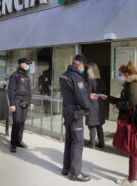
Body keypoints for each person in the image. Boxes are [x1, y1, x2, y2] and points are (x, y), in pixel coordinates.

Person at [100, 60, 137, 186]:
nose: (119, 77)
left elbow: (131, 104)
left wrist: (118, 105)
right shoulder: (131, 84)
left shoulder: (133, 85)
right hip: (135, 121)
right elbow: (125, 101)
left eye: (120, 74)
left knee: (133, 149)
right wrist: (109, 98)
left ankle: (131, 180)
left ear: (127, 74)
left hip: (133, 121)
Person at [59, 54, 94, 182]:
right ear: (78, 64)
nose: (84, 68)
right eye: (83, 65)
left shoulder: (64, 75)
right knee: (78, 142)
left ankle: (66, 168)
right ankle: (75, 173)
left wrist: (87, 95)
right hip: (76, 114)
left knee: (69, 140)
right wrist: (89, 108)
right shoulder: (77, 78)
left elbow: (72, 94)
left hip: (67, 111)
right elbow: (81, 97)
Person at [7, 58, 34, 153]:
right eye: (26, 63)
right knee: (17, 122)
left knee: (22, 122)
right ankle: (13, 143)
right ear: (21, 64)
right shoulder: (14, 75)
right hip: (17, 101)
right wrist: (12, 103)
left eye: (28, 64)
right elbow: (10, 91)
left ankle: (19, 141)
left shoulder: (26, 76)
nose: (28, 65)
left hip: (25, 102)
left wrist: (31, 102)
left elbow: (29, 90)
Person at [85, 62, 106, 149]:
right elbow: (104, 92)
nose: (86, 71)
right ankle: (102, 143)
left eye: (88, 69)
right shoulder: (101, 80)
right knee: (99, 125)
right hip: (100, 105)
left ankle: (92, 144)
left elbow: (88, 93)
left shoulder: (90, 80)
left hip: (92, 105)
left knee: (92, 125)